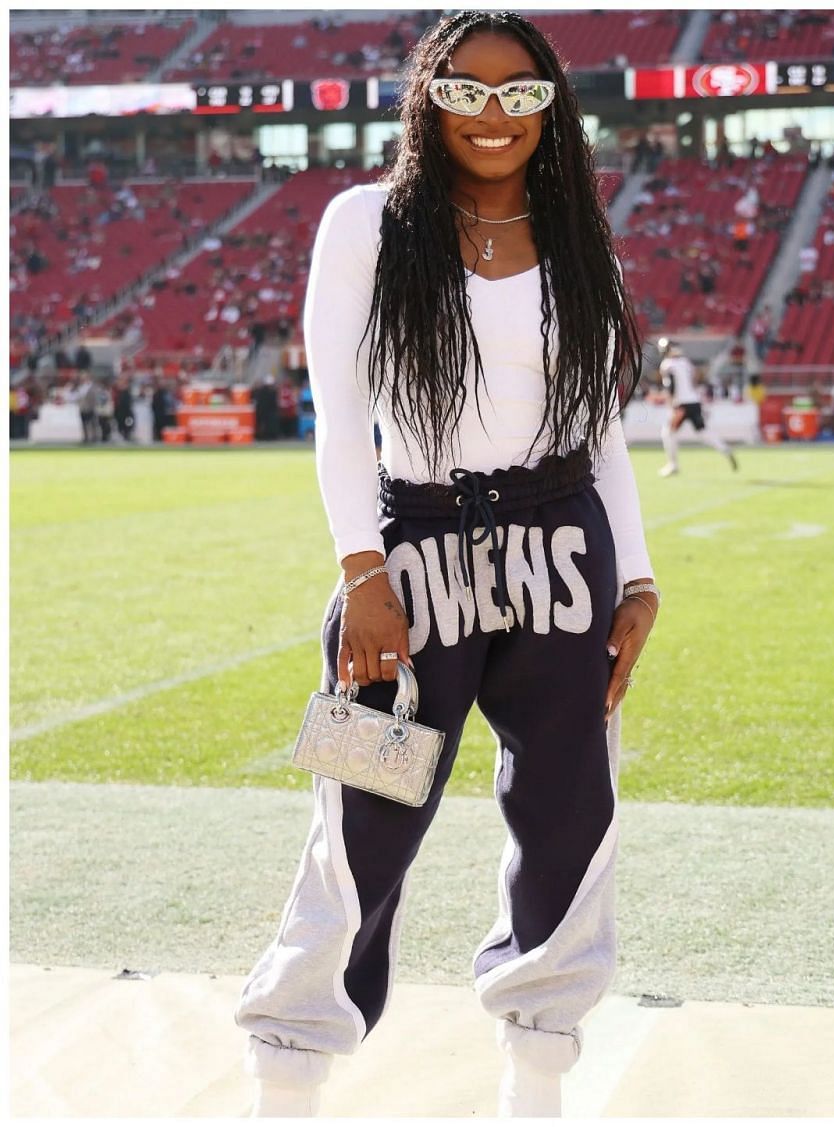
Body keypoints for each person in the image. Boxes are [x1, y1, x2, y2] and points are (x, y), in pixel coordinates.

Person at [233, 13, 660, 1117]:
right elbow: (339, 418)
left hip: (566, 544)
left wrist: (641, 577)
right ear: (428, 95)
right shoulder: (364, 221)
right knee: (362, 811)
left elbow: (597, 424)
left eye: (520, 95)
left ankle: (537, 1079)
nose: (492, 113)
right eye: (466, 89)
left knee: (570, 809)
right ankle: (287, 1074)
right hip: (412, 545)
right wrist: (360, 570)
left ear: (550, 107)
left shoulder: (578, 232)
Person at [655, 339, 737, 476]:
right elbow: (695, 380)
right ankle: (725, 449)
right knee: (703, 431)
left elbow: (671, 387)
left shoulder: (667, 365)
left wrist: (672, 405)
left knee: (668, 433)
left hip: (681, 404)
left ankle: (673, 464)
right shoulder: (686, 363)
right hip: (694, 401)